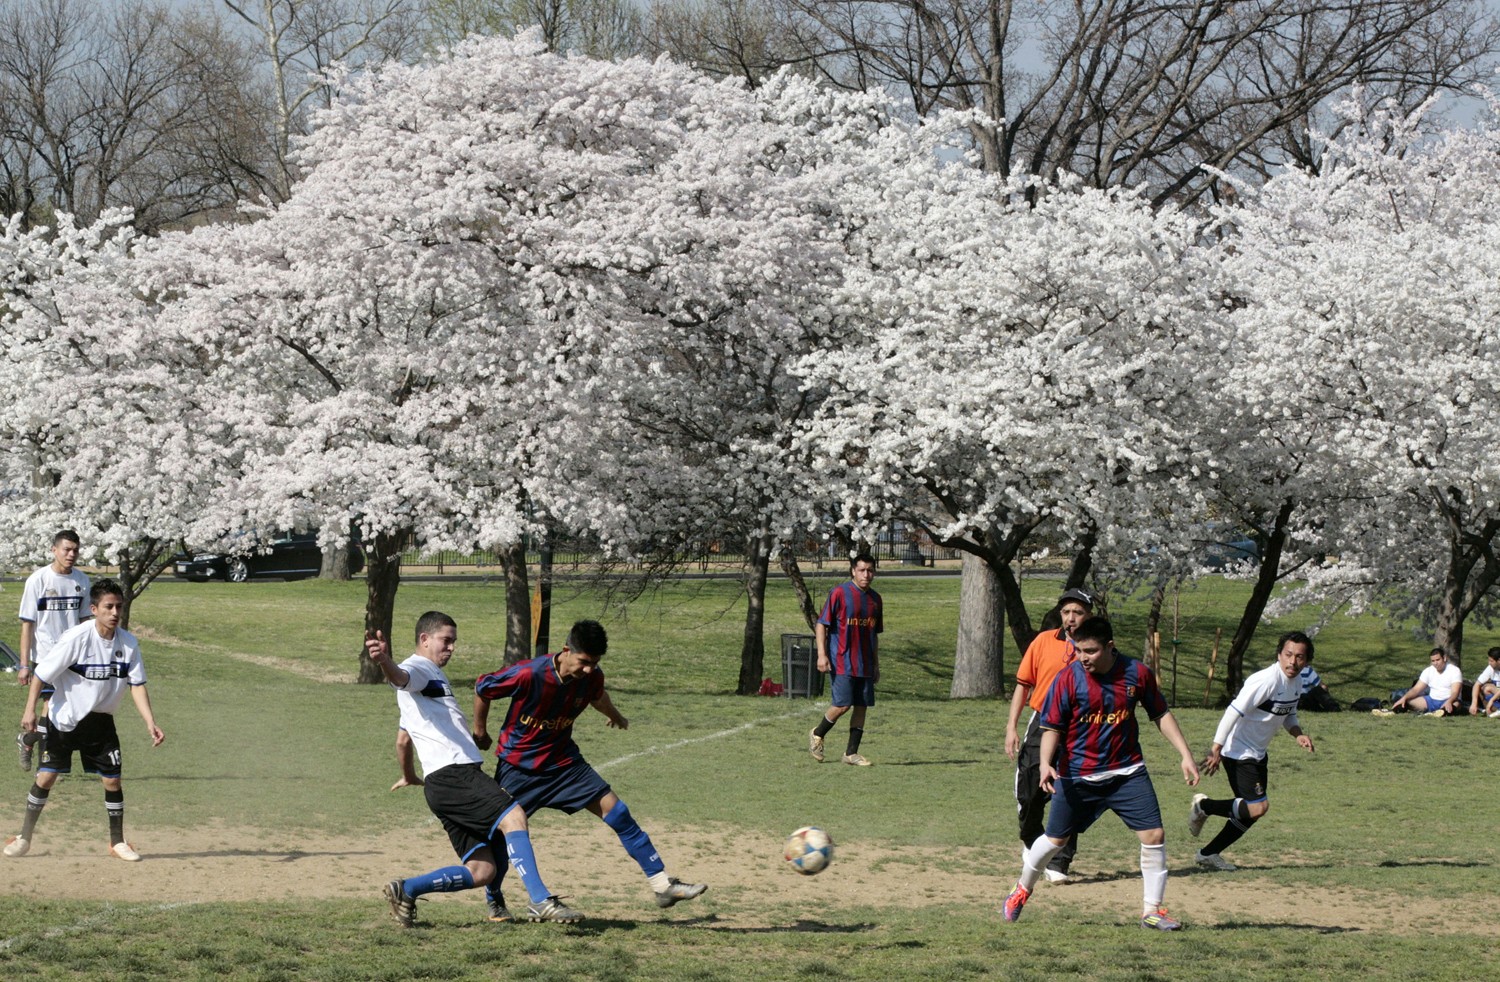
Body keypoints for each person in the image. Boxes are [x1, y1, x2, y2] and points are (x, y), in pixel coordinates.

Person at [472, 619, 707, 915]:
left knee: (618, 812)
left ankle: (662, 885)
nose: (588, 670)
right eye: (583, 662)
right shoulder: (529, 673)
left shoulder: (592, 677)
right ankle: (494, 897)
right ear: (566, 650)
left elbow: (598, 697)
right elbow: (483, 687)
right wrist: (479, 731)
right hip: (520, 767)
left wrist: (616, 715)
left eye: (594, 663)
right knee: (501, 837)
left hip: (564, 763)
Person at [366, 612, 578, 927]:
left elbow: (402, 740)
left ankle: (406, 889)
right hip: (455, 774)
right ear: (425, 640)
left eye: (454, 642)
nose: (451, 648)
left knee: (483, 870)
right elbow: (401, 676)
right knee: (514, 816)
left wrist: (409, 774)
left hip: (440, 786)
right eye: (445, 641)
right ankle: (539, 900)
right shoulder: (419, 668)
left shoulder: (419, 691)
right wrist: (385, 661)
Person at [1001, 616, 1200, 931]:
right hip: (1077, 774)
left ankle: (1152, 911)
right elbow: (1050, 726)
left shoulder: (1137, 674)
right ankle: (1023, 888)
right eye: (1079, 650)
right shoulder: (1068, 679)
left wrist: (1185, 755)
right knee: (1055, 840)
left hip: (1127, 772)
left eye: (1090, 651)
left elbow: (1160, 714)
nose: (1083, 658)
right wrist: (1044, 764)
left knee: (1154, 836)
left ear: (1110, 646)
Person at [4, 578, 163, 861]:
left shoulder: (128, 644)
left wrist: (150, 722)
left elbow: (136, 684)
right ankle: (24, 837)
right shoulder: (76, 638)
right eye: (108, 607)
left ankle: (117, 843)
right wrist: (30, 710)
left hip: (100, 723)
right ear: (93, 609)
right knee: (47, 777)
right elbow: (42, 675)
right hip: (64, 720)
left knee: (112, 782)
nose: (115, 613)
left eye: (119, 607)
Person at [1189, 631, 1317, 871]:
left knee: (1252, 812)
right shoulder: (1265, 681)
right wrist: (1215, 748)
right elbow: (1232, 711)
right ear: (1279, 654)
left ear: (1307, 660)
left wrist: (1298, 733)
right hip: (1237, 752)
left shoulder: (1297, 681)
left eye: (1299, 657)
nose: (1292, 661)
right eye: (1288, 655)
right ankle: (1203, 807)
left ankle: (1208, 853)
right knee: (1258, 807)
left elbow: (1288, 714)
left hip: (1257, 753)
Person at [1004, 587, 1094, 883]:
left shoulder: (1097, 649)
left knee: (1071, 792)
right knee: (1030, 791)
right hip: (1042, 722)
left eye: (1078, 612)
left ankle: (1060, 862)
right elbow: (1022, 684)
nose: (1071, 618)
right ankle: (1032, 841)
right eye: (1066, 612)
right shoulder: (1044, 641)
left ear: (1089, 616)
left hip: (1079, 727)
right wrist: (1011, 726)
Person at [15, 530, 90, 771]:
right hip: (46, 658)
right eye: (66, 549)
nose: (71, 554)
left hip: (74, 658)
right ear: (54, 550)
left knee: (68, 713)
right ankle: (46, 765)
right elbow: (28, 625)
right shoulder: (37, 580)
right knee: (50, 706)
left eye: (75, 550)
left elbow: (85, 622)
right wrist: (25, 665)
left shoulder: (82, 581)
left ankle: (28, 740)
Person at [808, 552, 882, 766]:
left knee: (861, 706)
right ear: (853, 571)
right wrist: (822, 655)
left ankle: (851, 753)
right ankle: (817, 733)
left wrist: (876, 664)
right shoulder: (840, 593)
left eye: (870, 570)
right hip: (842, 659)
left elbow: (874, 634)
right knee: (842, 705)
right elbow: (822, 624)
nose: (866, 574)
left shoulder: (876, 600)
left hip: (865, 662)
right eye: (861, 570)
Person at [1389, 647, 1463, 716]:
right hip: (1431, 701)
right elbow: (1416, 689)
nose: (1435, 663)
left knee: (1455, 705)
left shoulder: (1454, 671)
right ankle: (1396, 710)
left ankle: (1443, 711)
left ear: (1444, 658)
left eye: (1438, 660)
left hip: (1449, 700)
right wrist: (1404, 698)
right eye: (1433, 661)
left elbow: (1455, 692)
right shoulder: (1428, 671)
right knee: (1407, 702)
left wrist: (1449, 702)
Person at [1467, 647, 1500, 718]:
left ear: (1499, 661)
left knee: (1489, 687)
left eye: (1491, 661)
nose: (1489, 663)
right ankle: (1496, 709)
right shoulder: (1490, 668)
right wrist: (1474, 703)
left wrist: (1491, 700)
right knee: (1486, 688)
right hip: (1497, 697)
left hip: (1496, 696)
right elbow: (1477, 684)